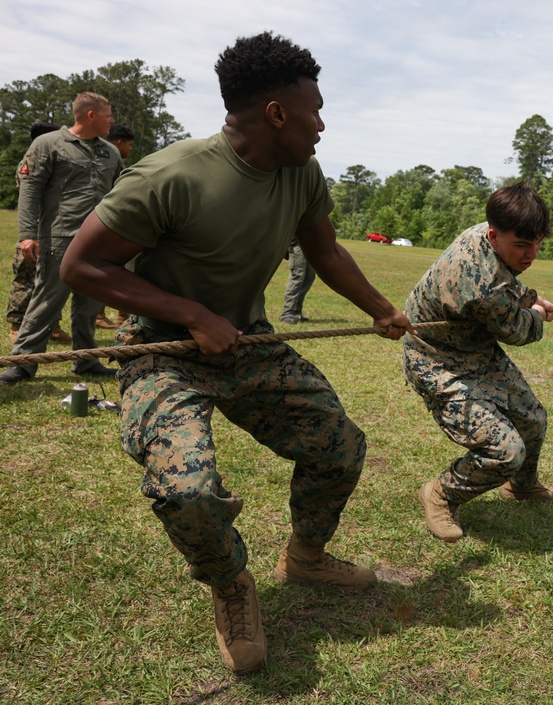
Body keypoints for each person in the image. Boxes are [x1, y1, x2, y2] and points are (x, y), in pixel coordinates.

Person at [60, 31, 413, 675]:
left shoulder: (301, 173)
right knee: (189, 494)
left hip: (249, 343)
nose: (322, 123)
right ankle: (231, 585)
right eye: (315, 109)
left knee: (340, 447)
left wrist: (381, 309)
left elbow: (327, 251)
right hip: (161, 350)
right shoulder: (171, 175)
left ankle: (305, 557)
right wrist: (192, 314)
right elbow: (80, 266)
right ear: (277, 112)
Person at [403, 181, 553, 544]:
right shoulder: (480, 284)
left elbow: (506, 283)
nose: (532, 254)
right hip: (437, 360)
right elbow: (518, 331)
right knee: (505, 451)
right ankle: (441, 493)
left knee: (533, 418)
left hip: (475, 348)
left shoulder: (485, 234)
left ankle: (522, 487)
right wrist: (535, 313)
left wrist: (530, 297)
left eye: (538, 242)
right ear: (493, 234)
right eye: (522, 245)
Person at [0, 93, 123, 385]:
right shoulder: (48, 144)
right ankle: (23, 362)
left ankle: (87, 359)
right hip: (59, 236)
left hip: (98, 239)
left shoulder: (110, 152)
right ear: (90, 115)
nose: (112, 120)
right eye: (108, 115)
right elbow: (30, 189)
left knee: (91, 301)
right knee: (47, 299)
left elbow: (122, 191)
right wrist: (27, 235)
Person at [6, 121, 72, 345]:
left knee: (50, 283)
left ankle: (53, 326)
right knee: (26, 279)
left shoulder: (53, 162)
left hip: (53, 231)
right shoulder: (30, 162)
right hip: (34, 232)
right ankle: (16, 326)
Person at [95, 124, 138, 330]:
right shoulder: (110, 156)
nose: (130, 150)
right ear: (119, 142)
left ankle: (119, 315)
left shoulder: (108, 157)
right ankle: (100, 314)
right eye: (129, 145)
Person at [279, 238, 316, 323]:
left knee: (309, 277)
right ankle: (287, 313)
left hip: (311, 243)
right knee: (297, 277)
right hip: (297, 243)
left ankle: (296, 311)